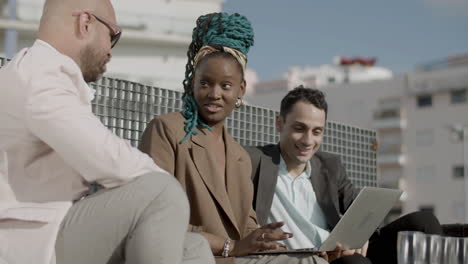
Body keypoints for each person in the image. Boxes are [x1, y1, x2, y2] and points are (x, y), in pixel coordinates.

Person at [0, 0, 214, 264]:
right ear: (85, 23)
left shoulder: (42, 75)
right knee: (162, 192)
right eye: (113, 36)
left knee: (193, 249)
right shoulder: (38, 75)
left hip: (53, 228)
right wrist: (167, 192)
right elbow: (107, 159)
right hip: (30, 241)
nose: (111, 52)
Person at [139, 12, 328, 264]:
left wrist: (266, 240)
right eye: (205, 83)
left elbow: (246, 228)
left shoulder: (239, 155)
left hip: (235, 259)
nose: (214, 94)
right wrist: (231, 246)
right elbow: (153, 217)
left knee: (314, 261)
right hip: (191, 256)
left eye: (226, 86)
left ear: (241, 90)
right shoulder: (167, 130)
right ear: (192, 84)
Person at [246, 86, 443, 264]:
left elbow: (360, 210)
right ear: (280, 123)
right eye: (299, 128)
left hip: (337, 251)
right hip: (300, 260)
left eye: (317, 132)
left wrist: (361, 236)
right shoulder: (253, 161)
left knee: (424, 222)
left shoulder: (329, 165)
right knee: (355, 263)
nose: (308, 140)